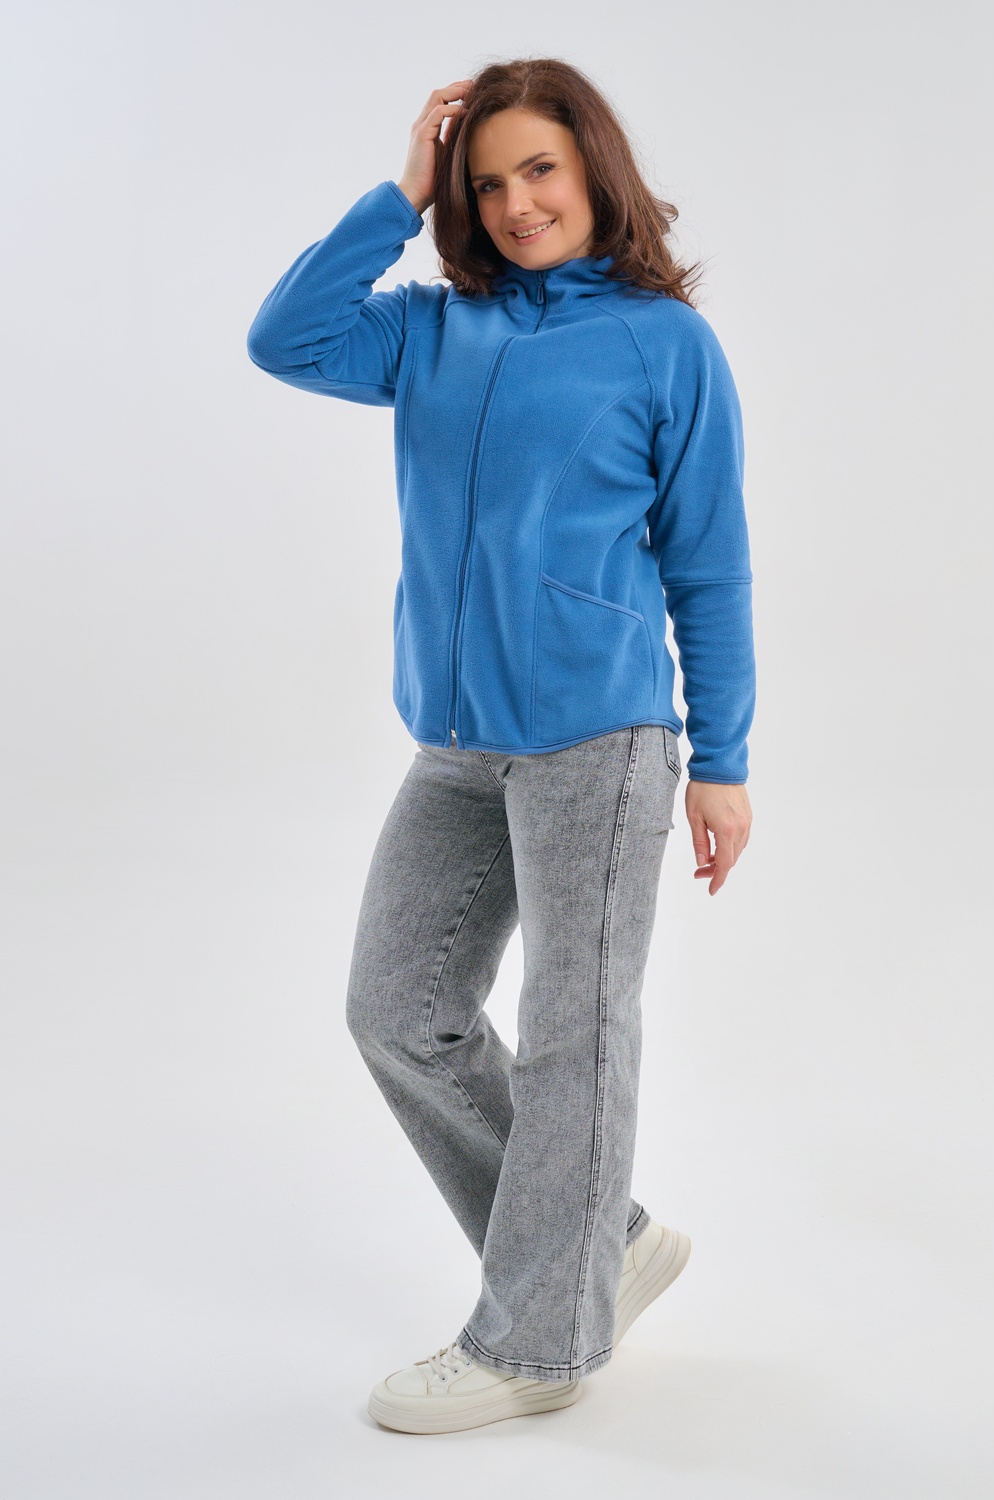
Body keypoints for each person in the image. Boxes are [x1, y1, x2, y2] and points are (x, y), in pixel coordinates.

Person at [246, 57, 754, 1436]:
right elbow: (285, 339)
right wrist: (400, 193)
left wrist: (723, 760)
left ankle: (538, 1343)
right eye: (487, 182)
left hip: (603, 737)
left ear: (594, 168)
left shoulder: (664, 344)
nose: (519, 202)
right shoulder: (430, 329)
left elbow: (709, 566)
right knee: (397, 1012)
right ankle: (603, 1243)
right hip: (459, 744)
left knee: (574, 1036)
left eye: (541, 168)